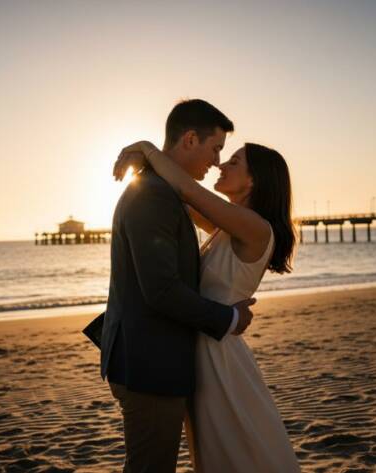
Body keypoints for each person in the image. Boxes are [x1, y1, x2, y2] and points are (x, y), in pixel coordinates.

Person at [113, 136, 301, 472]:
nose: (220, 164)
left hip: (219, 356)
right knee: (213, 451)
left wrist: (146, 148)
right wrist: (145, 167)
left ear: (253, 180)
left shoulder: (256, 227)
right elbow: (174, 197)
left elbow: (188, 191)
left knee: (234, 449)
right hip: (203, 346)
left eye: (233, 161)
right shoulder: (224, 227)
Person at [94, 99, 257, 473]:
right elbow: (161, 290)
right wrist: (228, 318)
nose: (216, 161)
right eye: (215, 148)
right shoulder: (152, 195)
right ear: (189, 139)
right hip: (149, 364)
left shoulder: (164, 191)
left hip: (154, 359)